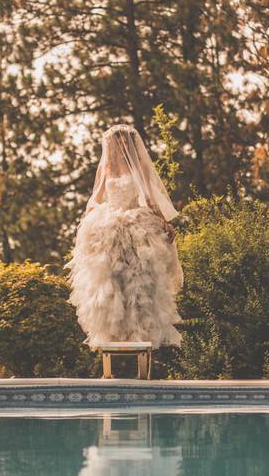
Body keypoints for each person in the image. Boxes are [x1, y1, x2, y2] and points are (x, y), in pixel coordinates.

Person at [65, 125, 183, 347]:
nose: (116, 146)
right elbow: (97, 197)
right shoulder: (106, 169)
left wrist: (163, 220)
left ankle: (140, 332)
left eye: (120, 141)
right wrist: (86, 223)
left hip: (133, 223)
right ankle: (113, 335)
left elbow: (149, 197)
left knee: (139, 281)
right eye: (113, 142)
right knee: (108, 282)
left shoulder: (139, 168)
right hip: (110, 223)